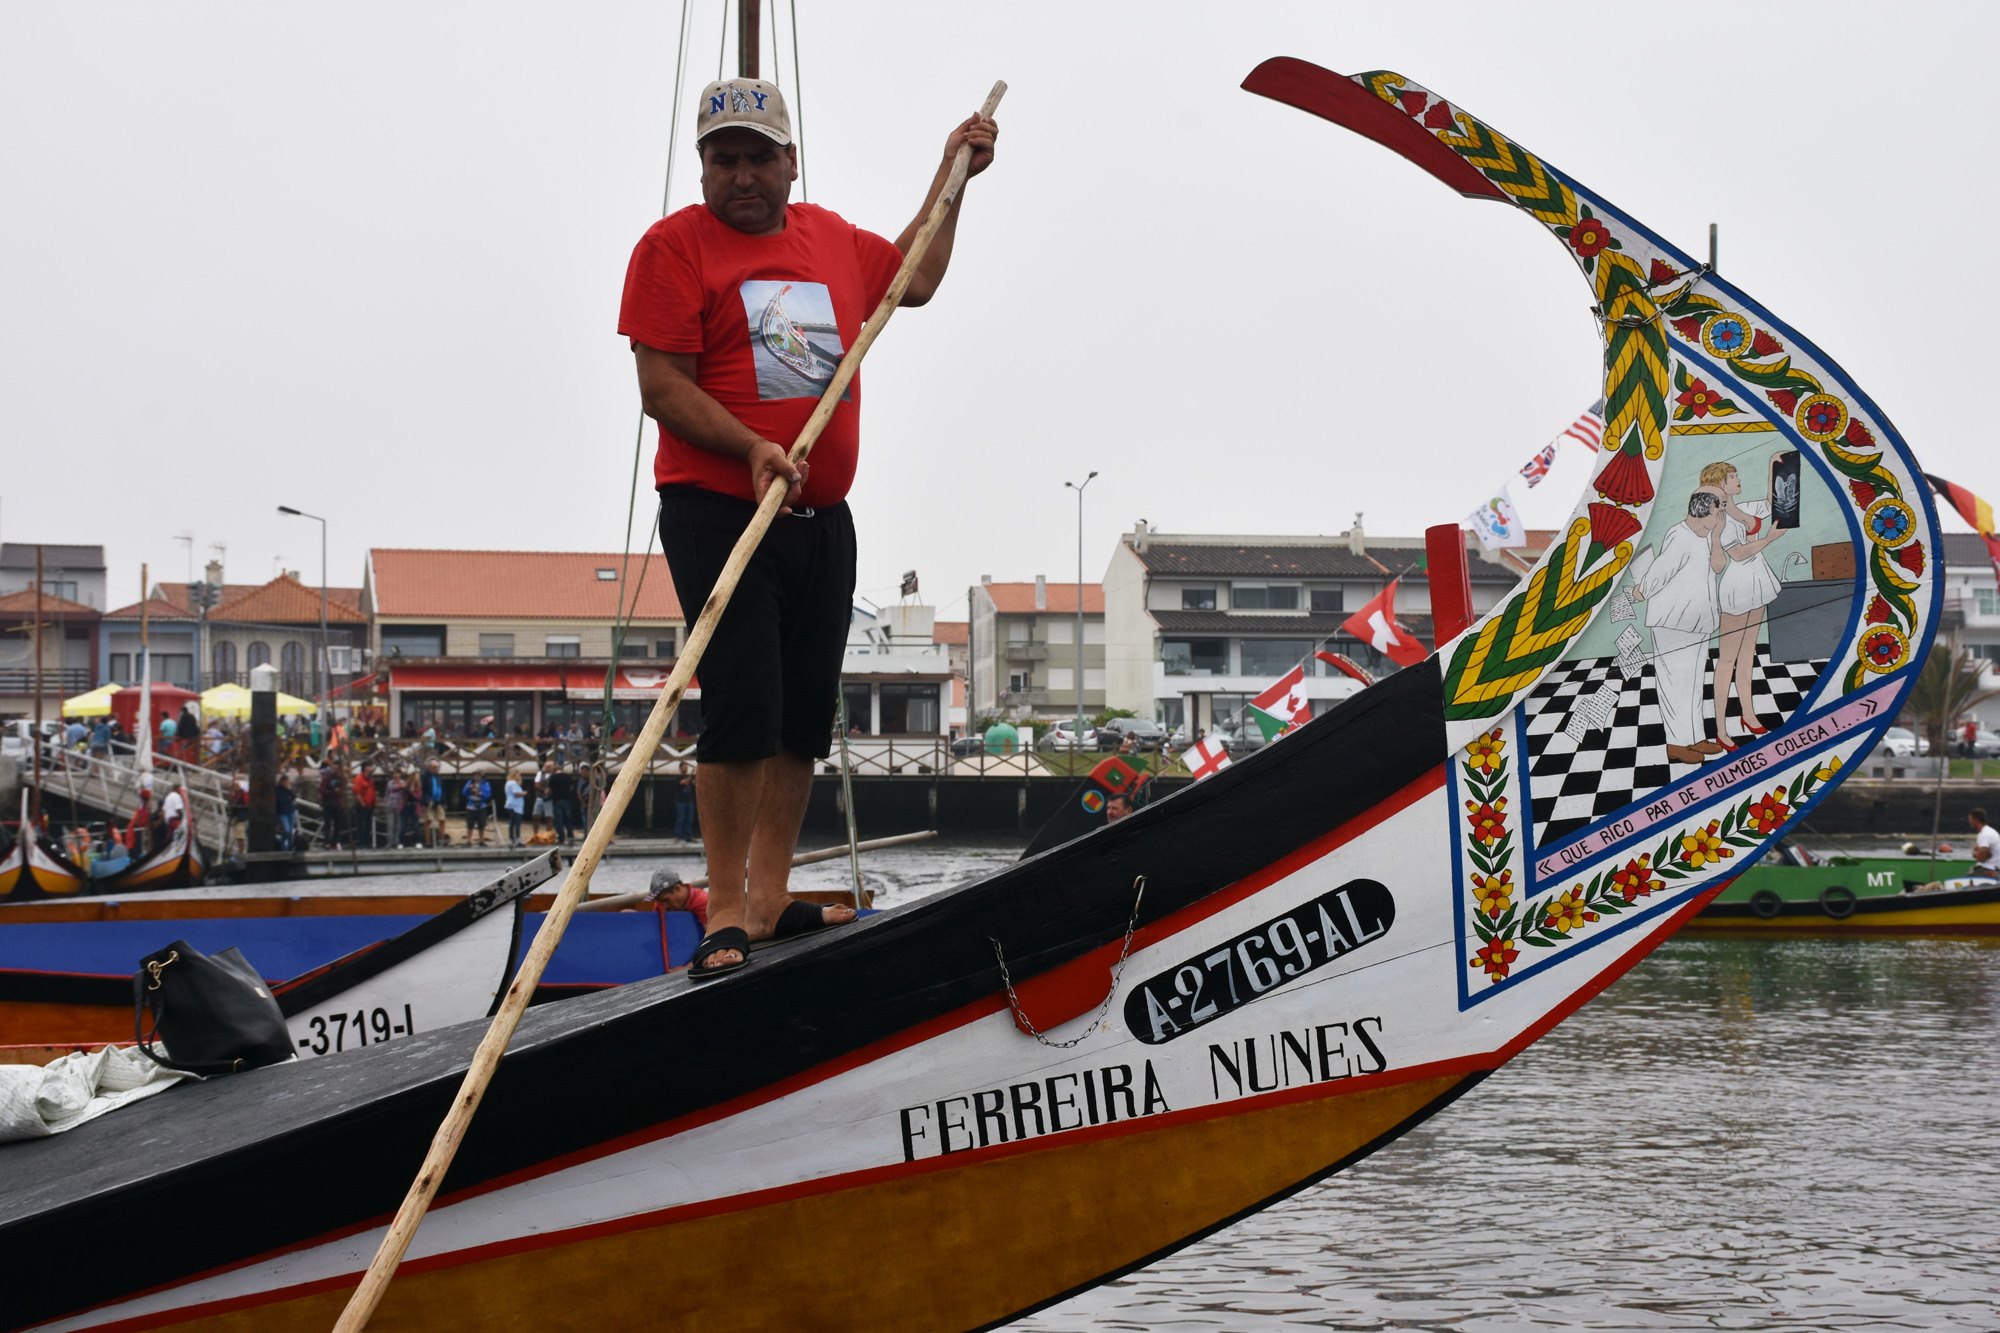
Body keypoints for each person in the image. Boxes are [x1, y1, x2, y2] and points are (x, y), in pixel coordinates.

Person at [619, 76, 996, 979]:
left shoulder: (828, 237)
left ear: (791, 162)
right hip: (721, 510)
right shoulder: (671, 249)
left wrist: (954, 177)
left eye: (758, 158)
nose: (742, 176)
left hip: (822, 515)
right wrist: (751, 446)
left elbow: (916, 275)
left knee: (799, 719)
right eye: (724, 160)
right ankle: (725, 906)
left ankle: (770, 895)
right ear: (703, 167)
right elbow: (661, 386)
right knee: (742, 707)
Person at [1631, 489, 1730, 767]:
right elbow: (1660, 571)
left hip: (1698, 623)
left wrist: (1717, 535)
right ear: (1703, 511)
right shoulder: (1680, 536)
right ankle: (1676, 744)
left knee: (1693, 684)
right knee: (1675, 684)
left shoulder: (1705, 538)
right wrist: (1642, 591)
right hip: (1672, 623)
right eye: (1718, 511)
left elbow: (1717, 567)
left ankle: (1695, 737)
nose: (1721, 516)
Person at [1703, 456, 1786, 746]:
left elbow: (1772, 502)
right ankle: (1720, 728)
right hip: (1737, 588)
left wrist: (1773, 466)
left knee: (1748, 654)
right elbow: (1737, 554)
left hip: (1758, 583)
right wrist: (1770, 539)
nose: (1739, 480)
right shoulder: (1719, 521)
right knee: (1727, 659)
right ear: (1720, 485)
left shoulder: (1746, 508)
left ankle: (1748, 713)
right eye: (1733, 477)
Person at [648, 866, 710, 932]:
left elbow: (711, 933)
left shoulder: (703, 901)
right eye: (660, 901)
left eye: (666, 900)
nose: (664, 905)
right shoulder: (660, 904)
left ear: (677, 888)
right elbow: (654, 930)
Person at [420, 759, 448, 847]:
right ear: (429, 767)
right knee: (428, 821)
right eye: (433, 767)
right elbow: (422, 791)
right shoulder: (424, 777)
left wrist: (444, 802)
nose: (435, 769)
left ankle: (442, 840)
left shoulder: (438, 777)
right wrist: (423, 803)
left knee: (442, 819)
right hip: (429, 801)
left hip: (439, 801)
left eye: (436, 767)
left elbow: (442, 789)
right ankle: (427, 842)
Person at [351, 764, 378, 849]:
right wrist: (362, 803)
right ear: (365, 769)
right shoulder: (359, 778)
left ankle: (367, 841)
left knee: (368, 825)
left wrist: (374, 803)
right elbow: (357, 792)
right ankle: (361, 842)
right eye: (369, 767)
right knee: (361, 824)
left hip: (370, 805)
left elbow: (372, 791)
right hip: (362, 805)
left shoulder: (370, 779)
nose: (371, 769)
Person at [1970, 808, 2000, 881]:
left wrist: (1975, 853)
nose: (1969, 822)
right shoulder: (1988, 831)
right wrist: (1978, 853)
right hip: (1993, 869)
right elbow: (1984, 854)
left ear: (1976, 820)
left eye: (1971, 819)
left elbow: (1981, 858)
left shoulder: (1985, 834)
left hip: (1988, 871)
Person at [464, 772, 493, 846]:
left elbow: (488, 795)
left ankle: (481, 841)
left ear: (482, 776)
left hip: (481, 806)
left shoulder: (485, 784)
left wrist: (479, 792)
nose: (477, 777)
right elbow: (464, 793)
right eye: (475, 776)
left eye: (479, 776)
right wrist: (468, 788)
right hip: (471, 806)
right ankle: (468, 841)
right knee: (470, 824)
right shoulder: (469, 782)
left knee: (481, 824)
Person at [674, 760, 698, 841]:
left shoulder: (689, 777)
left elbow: (694, 783)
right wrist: (692, 773)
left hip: (689, 801)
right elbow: (685, 782)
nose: (686, 768)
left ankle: (689, 836)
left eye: (687, 767)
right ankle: (678, 836)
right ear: (680, 768)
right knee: (680, 819)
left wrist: (696, 773)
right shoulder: (678, 778)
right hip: (681, 802)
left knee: (689, 820)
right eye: (684, 767)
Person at [504, 769, 527, 848]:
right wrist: (524, 793)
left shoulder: (508, 783)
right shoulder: (513, 783)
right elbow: (516, 794)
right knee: (516, 823)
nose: (520, 776)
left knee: (512, 823)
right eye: (519, 775)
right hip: (514, 806)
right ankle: (516, 839)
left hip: (513, 805)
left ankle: (512, 839)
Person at [275, 774, 297, 851]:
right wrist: (288, 799)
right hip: (282, 812)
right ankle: (282, 845)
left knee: (290, 832)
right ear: (281, 781)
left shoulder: (287, 790)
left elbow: (293, 797)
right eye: (285, 781)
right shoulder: (277, 789)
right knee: (286, 830)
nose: (286, 783)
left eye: (287, 782)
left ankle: (289, 847)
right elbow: (280, 800)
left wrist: (289, 790)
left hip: (290, 811)